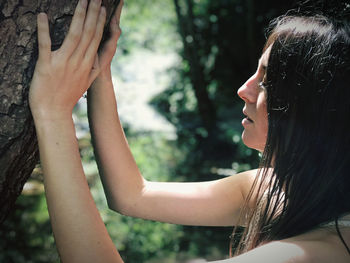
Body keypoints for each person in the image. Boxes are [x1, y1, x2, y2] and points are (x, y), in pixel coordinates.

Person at [29, 0, 350, 261]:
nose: (244, 89)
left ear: (308, 109)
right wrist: (99, 69)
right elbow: (132, 195)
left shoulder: (308, 253)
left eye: (265, 80)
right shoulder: (278, 189)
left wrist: (52, 113)